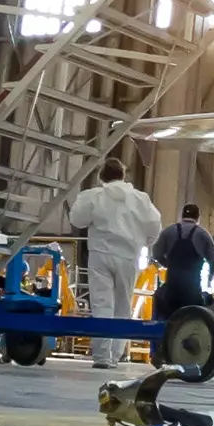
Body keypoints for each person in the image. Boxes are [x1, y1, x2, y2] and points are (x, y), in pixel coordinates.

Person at [68, 156, 160, 369]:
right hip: (129, 256)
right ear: (123, 175)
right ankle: (117, 354)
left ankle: (101, 357)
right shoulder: (140, 198)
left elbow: (76, 219)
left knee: (102, 304)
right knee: (123, 305)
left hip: (100, 253)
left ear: (101, 177)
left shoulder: (92, 196)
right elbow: (154, 224)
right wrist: (146, 241)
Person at [151, 204, 214, 316]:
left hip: (172, 289)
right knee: (192, 318)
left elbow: (156, 253)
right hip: (192, 291)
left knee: (167, 318)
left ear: (182, 215)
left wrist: (167, 264)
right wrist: (210, 279)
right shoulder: (203, 234)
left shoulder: (168, 231)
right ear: (198, 217)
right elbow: (213, 260)